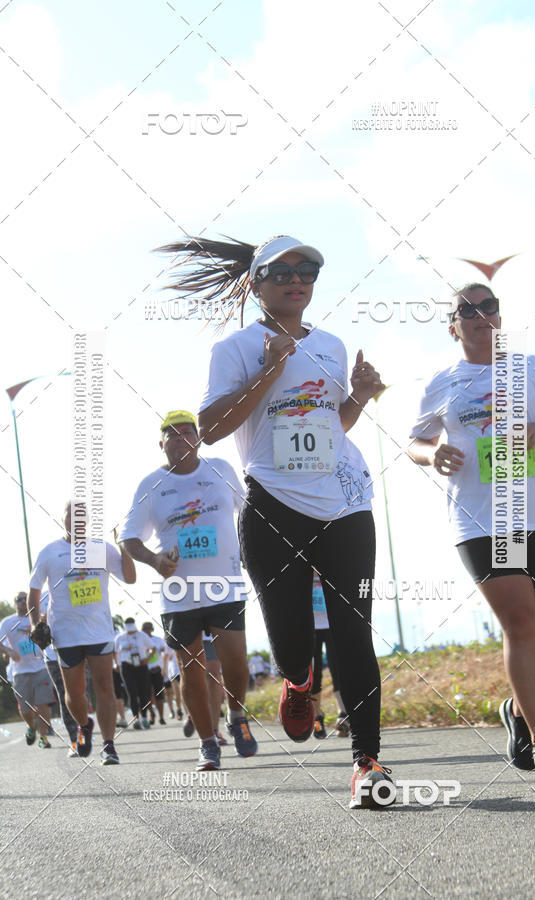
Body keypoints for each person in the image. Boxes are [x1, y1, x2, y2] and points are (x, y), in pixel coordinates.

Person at [160, 233, 393, 807]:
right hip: (273, 507)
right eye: (282, 270)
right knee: (292, 641)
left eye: (308, 270)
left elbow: (331, 425)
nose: (297, 279)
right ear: (256, 282)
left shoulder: (334, 346)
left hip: (345, 500)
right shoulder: (235, 348)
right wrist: (268, 372)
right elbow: (210, 429)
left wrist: (359, 397)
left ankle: (367, 761)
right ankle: (298, 679)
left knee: (352, 631)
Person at [408, 283, 535, 776]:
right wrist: (433, 453)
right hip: (481, 520)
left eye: (488, 306)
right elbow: (415, 442)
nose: (479, 314)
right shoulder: (443, 381)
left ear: (500, 317)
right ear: (453, 327)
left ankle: (516, 709)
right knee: (522, 625)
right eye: (466, 309)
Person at [119, 409, 257, 771]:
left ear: (197, 438)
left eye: (187, 432)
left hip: (224, 585)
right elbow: (129, 538)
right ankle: (207, 742)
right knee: (191, 669)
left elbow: (247, 512)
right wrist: (154, 559)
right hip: (179, 592)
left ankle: (237, 714)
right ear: (161, 443)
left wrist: (247, 552)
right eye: (172, 434)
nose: (181, 438)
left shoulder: (221, 469)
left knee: (235, 662)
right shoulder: (151, 484)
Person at [28, 506, 136, 765]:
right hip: (65, 634)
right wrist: (35, 624)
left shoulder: (102, 548)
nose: (74, 520)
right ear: (62, 518)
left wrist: (123, 546)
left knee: (105, 687)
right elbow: (33, 591)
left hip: (99, 631)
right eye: (69, 515)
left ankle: (109, 744)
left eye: (80, 516)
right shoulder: (50, 552)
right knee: (75, 694)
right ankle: (85, 724)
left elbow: (130, 578)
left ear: (86, 521)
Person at [0, 592, 53, 749]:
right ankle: (31, 726)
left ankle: (43, 737)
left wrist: (45, 623)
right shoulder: (7, 622)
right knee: (25, 708)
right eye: (19, 600)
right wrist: (8, 652)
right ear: (15, 604)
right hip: (20, 671)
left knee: (43, 702)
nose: (23, 601)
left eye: (25, 599)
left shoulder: (38, 618)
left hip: (41, 666)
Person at [40, 592, 79, 756]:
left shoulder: (74, 588)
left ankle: (83, 730)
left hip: (77, 649)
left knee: (78, 694)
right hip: (52, 655)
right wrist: (41, 620)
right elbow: (34, 624)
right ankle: (74, 742)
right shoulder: (41, 597)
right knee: (64, 695)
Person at [311, 571, 348, 739]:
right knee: (315, 674)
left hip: (332, 624)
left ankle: (343, 713)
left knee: (338, 669)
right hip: (311, 627)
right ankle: (317, 716)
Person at [115, 618, 154, 729]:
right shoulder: (120, 637)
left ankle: (145, 717)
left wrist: (147, 658)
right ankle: (135, 718)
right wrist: (117, 664)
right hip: (126, 666)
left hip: (141, 665)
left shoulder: (142, 635)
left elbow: (152, 648)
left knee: (143, 692)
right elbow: (115, 651)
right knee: (131, 693)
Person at [141, 622, 168, 725]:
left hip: (157, 670)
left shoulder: (157, 640)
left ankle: (161, 717)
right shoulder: (141, 641)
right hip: (145, 670)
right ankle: (152, 714)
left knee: (159, 694)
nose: (147, 630)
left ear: (152, 629)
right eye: (145, 629)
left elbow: (165, 650)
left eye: (149, 628)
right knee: (148, 695)